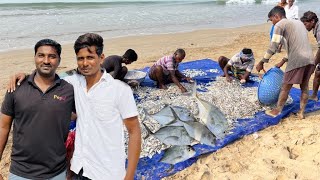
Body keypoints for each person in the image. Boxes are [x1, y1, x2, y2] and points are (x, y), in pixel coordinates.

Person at [8, 33, 142, 179]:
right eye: (80, 58)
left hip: (107, 172)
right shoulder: (73, 84)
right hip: (79, 168)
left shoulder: (120, 90)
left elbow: (134, 132)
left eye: (90, 57)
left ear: (101, 58)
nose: (85, 63)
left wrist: (129, 176)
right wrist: (25, 76)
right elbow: (47, 78)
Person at [0, 39, 75, 179]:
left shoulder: (69, 90)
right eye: (41, 55)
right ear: (35, 57)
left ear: (59, 60)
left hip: (56, 172)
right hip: (20, 172)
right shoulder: (16, 87)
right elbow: (3, 127)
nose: (46, 60)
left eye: (52, 56)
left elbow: (81, 117)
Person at [256, 6, 314, 119]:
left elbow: (273, 46)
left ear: (276, 16)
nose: (272, 23)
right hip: (310, 59)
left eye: (271, 20)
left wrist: (262, 61)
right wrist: (283, 61)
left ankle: (277, 110)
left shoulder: (279, 24)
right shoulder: (298, 24)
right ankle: (301, 113)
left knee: (285, 87)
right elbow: (297, 45)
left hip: (297, 60)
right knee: (305, 87)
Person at [301, 11, 320, 101]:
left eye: (305, 24)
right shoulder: (316, 27)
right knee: (318, 72)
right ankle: (314, 95)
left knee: (317, 71)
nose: (305, 27)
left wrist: (314, 63)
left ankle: (314, 95)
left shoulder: (319, 30)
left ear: (312, 21)